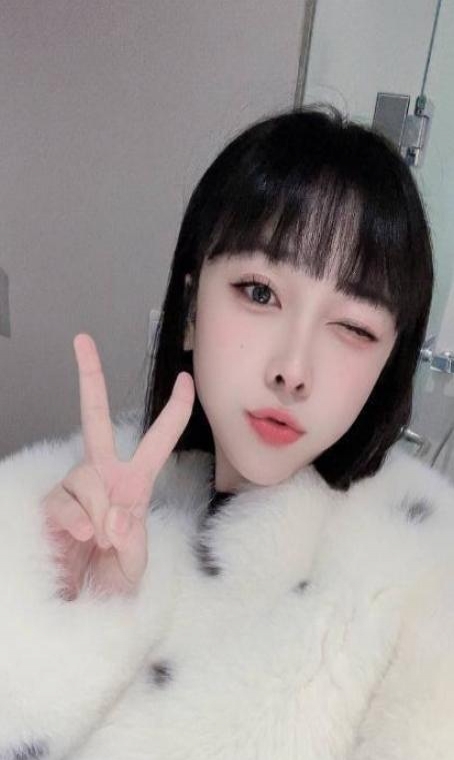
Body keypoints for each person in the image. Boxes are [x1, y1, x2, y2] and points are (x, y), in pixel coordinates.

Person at [1, 105, 453, 760]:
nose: (293, 370)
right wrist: (65, 606)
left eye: (353, 327)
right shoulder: (57, 505)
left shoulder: (424, 582)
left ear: (388, 366)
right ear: (191, 310)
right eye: (260, 292)